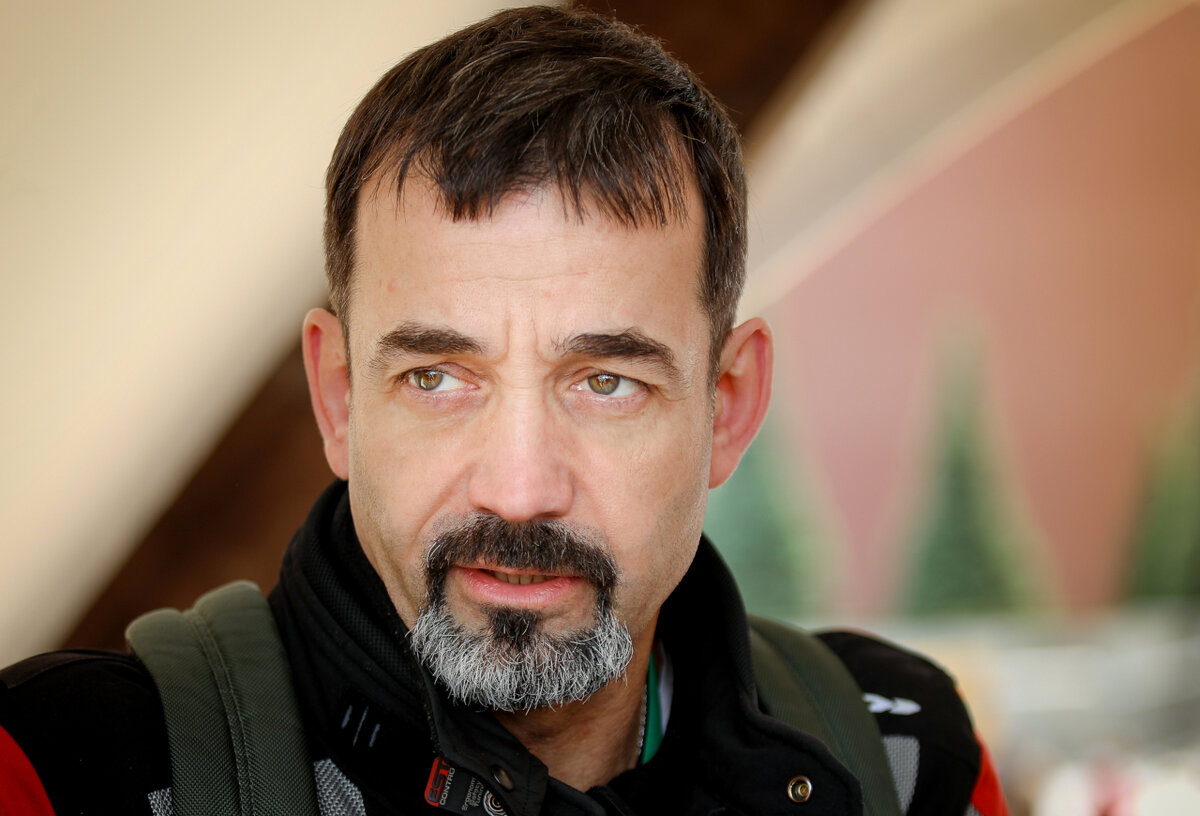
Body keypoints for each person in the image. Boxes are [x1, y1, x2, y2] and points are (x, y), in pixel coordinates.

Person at [0, 6, 1008, 815]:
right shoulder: (65, 772)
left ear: (729, 406)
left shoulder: (906, 762)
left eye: (606, 382)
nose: (520, 491)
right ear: (338, 397)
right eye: (438, 377)